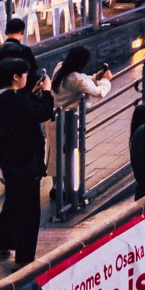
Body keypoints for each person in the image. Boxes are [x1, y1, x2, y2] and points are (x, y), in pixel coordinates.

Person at [0, 59, 53, 262]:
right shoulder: (16, 101)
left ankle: (2, 244)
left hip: (9, 161)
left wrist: (31, 94)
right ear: (16, 77)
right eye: (24, 74)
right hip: (26, 162)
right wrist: (48, 92)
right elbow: (42, 112)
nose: (26, 77)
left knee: (12, 202)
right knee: (28, 212)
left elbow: (21, 110)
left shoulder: (2, 99)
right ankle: (24, 258)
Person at [48, 46, 111, 199]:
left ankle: (57, 186)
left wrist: (96, 77)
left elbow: (85, 80)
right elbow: (98, 92)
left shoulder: (60, 68)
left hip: (52, 117)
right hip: (67, 120)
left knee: (54, 152)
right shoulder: (76, 78)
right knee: (67, 151)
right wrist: (105, 81)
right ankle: (68, 189)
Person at [0, 18, 36, 109]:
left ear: (6, 32)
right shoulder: (25, 51)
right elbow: (33, 74)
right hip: (23, 100)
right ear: (22, 32)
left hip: (0, 100)